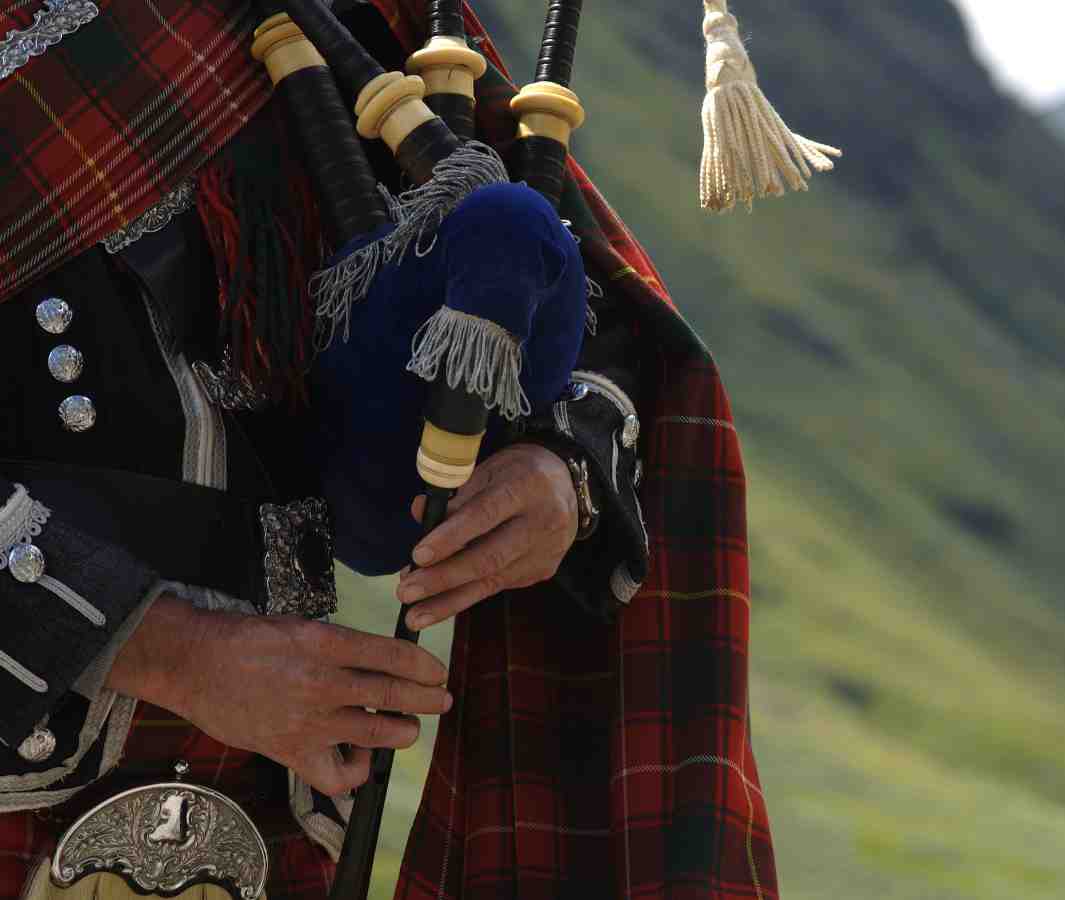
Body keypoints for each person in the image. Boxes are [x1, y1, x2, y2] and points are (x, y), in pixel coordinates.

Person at [0, 0, 808, 895]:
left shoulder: (344, 14)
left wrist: (555, 468)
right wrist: (171, 651)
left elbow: (570, 293)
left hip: (266, 804)